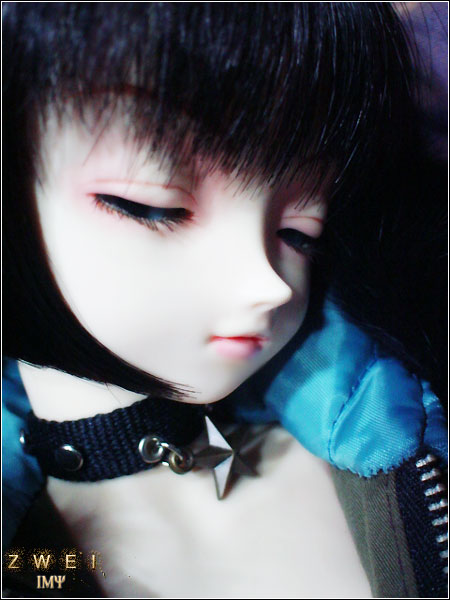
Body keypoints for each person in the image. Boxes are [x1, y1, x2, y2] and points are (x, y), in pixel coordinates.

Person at [2, 3, 447, 597]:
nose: (270, 283)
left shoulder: (384, 443)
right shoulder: (28, 561)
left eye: (299, 232)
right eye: (152, 205)